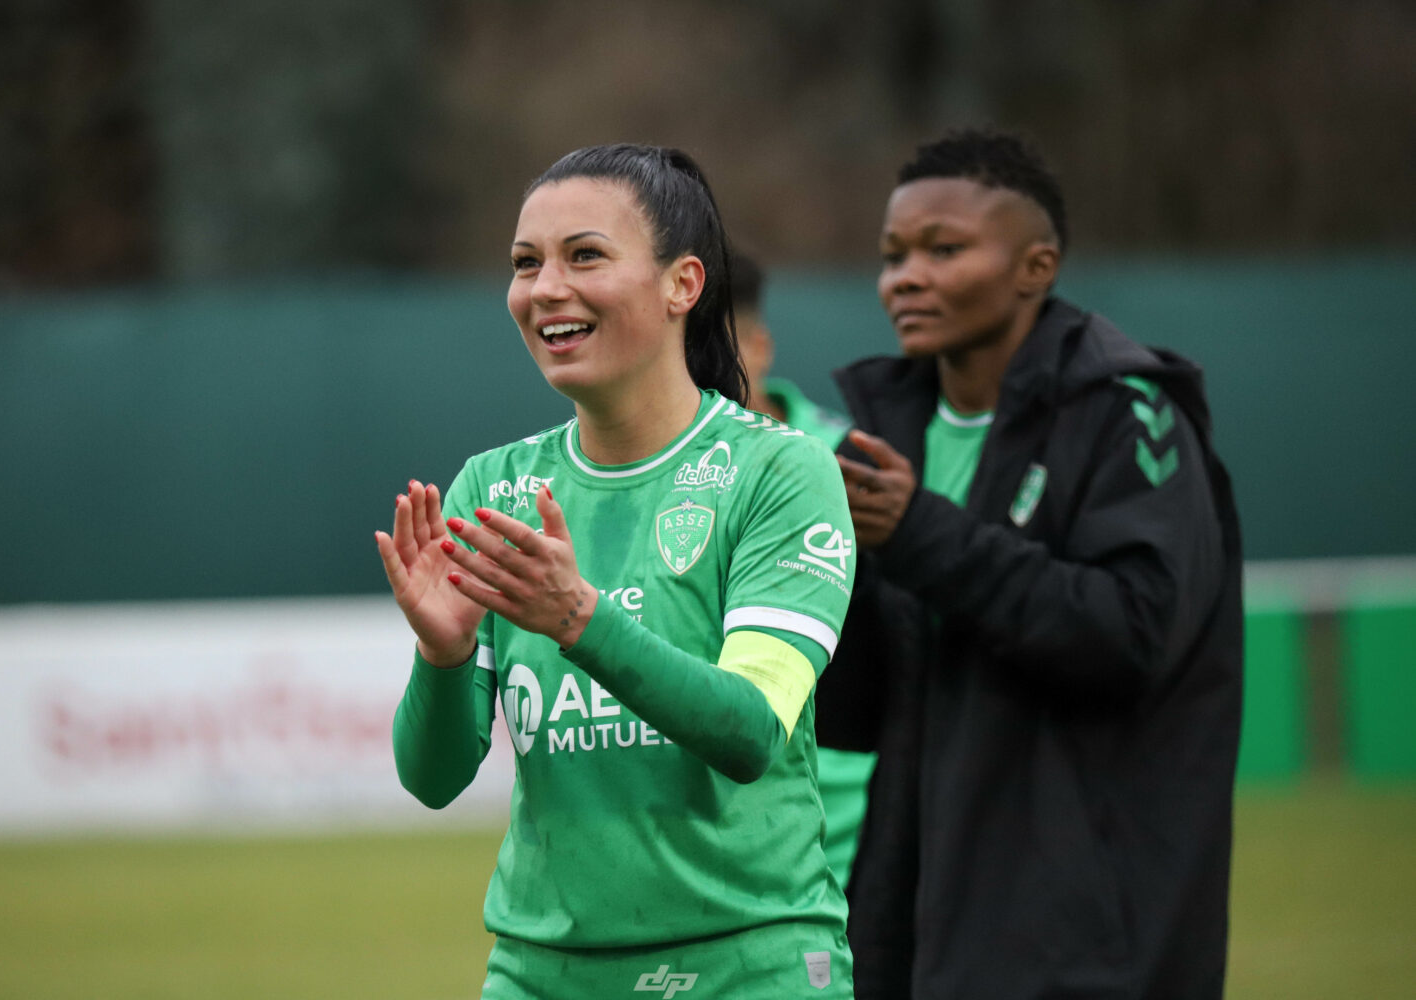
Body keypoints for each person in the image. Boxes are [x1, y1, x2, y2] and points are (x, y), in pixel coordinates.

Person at [376, 143, 857, 999]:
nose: (545, 289)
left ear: (684, 285)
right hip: (541, 971)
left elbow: (749, 732)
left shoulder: (780, 472)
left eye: (584, 255)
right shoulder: (496, 487)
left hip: (748, 964)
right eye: (526, 264)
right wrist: (443, 658)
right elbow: (434, 778)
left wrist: (582, 622)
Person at [815, 130, 1243, 999]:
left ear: (1035, 266)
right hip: (914, 924)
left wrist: (920, 534)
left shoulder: (1126, 415)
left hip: (1088, 937)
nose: (907, 276)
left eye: (945, 248)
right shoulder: (884, 433)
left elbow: (1130, 636)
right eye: (894, 255)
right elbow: (859, 712)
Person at [730, 248, 876, 890]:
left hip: (857, 825)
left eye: (716, 343)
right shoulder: (643, 481)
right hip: (721, 829)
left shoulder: (858, 463)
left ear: (760, 346)